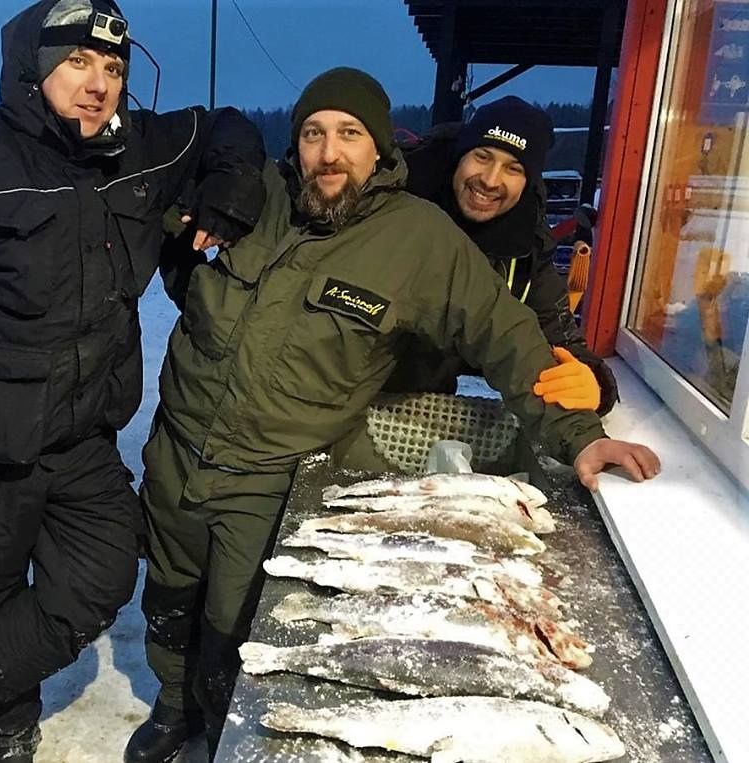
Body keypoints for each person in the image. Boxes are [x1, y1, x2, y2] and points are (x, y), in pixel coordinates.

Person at [126, 67, 660, 763]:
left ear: (379, 149)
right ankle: (174, 703)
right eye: (313, 133)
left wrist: (579, 435)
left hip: (268, 476)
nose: (329, 153)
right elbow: (150, 183)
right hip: (175, 450)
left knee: (234, 624)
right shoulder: (256, 195)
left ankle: (226, 727)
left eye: (349, 134)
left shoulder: (418, 239)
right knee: (167, 597)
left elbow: (506, 333)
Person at [0, 1, 265, 761]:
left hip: (82, 436)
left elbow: (227, 127)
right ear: (33, 68)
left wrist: (232, 184)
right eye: (77, 62)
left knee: (103, 575)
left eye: (113, 68)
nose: (98, 83)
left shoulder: (140, 149)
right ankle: (3, 732)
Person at [397, 95, 618, 413]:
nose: (490, 180)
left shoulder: (526, 247)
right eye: (482, 156)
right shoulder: (395, 200)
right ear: (460, 155)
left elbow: (563, 341)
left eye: (513, 168)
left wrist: (593, 384)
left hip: (419, 408)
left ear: (527, 182)